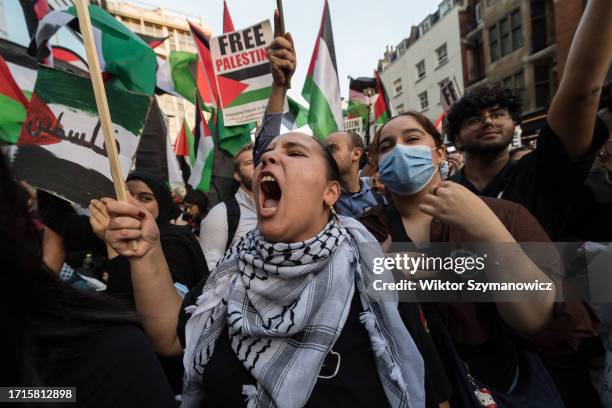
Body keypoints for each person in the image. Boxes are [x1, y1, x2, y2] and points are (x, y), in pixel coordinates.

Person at [101, 125, 460, 407]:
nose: (269, 161)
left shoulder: (373, 273)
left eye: (294, 152)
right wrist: (145, 253)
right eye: (266, 155)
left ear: (330, 192)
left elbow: (432, 393)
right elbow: (169, 337)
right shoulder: (230, 274)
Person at [374, 111, 599, 407]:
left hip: (499, 387)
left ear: (440, 154)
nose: (399, 151)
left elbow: (539, 319)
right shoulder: (366, 231)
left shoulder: (505, 214)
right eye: (386, 146)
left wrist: (487, 229)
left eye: (412, 138)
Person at [0, 152, 175, 407]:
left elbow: (169, 333)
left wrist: (137, 253)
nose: (131, 204)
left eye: (145, 198)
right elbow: (61, 223)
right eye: (124, 194)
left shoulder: (176, 241)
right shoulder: (98, 230)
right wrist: (55, 167)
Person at [444, 0, 612, 241]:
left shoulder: (543, 171)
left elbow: (581, 93)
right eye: (474, 118)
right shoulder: (446, 193)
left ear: (514, 125)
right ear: (457, 140)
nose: (489, 121)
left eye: (498, 114)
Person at [198, 143, 257, 271]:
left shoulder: (283, 208)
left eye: (259, 160)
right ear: (236, 175)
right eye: (249, 163)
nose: (257, 166)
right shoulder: (221, 214)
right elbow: (211, 269)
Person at [323, 131, 390, 242]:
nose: (325, 156)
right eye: (324, 152)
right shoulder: (323, 203)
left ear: (356, 154)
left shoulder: (379, 199)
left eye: (332, 149)